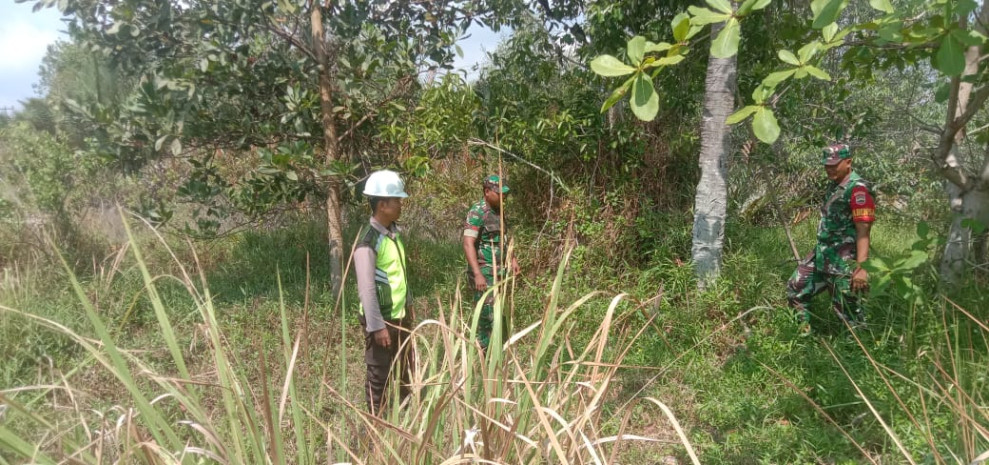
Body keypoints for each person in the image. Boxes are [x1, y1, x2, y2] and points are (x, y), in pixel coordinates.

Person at [787, 144, 876, 332]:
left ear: (848, 162)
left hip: (843, 261)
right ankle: (802, 336)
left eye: (834, 165)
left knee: (848, 311)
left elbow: (863, 230)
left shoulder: (858, 190)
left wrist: (861, 268)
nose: (829, 169)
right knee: (796, 287)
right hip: (822, 254)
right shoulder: (835, 185)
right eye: (826, 165)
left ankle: (860, 353)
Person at [354, 170, 413, 415]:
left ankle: (406, 421)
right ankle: (375, 427)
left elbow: (400, 274)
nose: (401, 204)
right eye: (397, 200)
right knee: (379, 375)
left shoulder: (393, 234)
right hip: (382, 321)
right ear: (382, 205)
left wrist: (409, 305)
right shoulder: (369, 242)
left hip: (401, 319)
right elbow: (367, 289)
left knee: (406, 371)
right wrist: (377, 327)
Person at [462, 174, 518, 350]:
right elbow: (468, 243)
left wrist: (513, 258)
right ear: (487, 192)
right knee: (486, 316)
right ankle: (484, 357)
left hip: (500, 271)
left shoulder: (498, 211)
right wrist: (478, 274)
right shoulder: (477, 212)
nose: (503, 197)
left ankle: (500, 351)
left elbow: (504, 238)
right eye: (499, 193)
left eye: (505, 194)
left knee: (500, 313)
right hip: (484, 273)